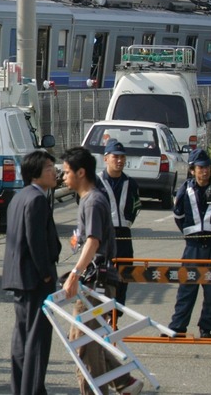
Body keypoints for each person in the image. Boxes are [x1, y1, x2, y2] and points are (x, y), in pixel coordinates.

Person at [61, 147, 143, 395]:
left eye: (66, 172)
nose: (64, 177)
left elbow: (93, 241)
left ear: (81, 172)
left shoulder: (94, 201)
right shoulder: (88, 200)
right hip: (94, 280)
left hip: (95, 281)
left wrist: (75, 273)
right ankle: (124, 383)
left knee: (83, 343)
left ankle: (104, 389)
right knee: (89, 340)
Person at [2, 150, 61, 395]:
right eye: (49, 167)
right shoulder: (36, 199)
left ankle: (22, 388)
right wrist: (47, 273)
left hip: (19, 277)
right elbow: (35, 240)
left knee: (22, 339)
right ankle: (33, 390)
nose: (54, 171)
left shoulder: (19, 196)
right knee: (37, 341)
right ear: (36, 173)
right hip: (35, 278)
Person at [168, 148, 211, 339]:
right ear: (192, 170)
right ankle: (178, 327)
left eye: (207, 167)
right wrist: (192, 236)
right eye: (200, 168)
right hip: (193, 247)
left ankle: (206, 328)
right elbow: (178, 217)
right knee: (186, 287)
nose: (204, 171)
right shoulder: (185, 190)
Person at [95, 139, 141, 306]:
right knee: (102, 277)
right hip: (103, 237)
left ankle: (115, 317)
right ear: (106, 158)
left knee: (123, 277)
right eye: (116, 157)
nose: (120, 160)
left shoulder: (131, 183)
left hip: (124, 236)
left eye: (122, 157)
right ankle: (102, 319)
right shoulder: (96, 182)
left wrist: (126, 221)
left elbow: (136, 207)